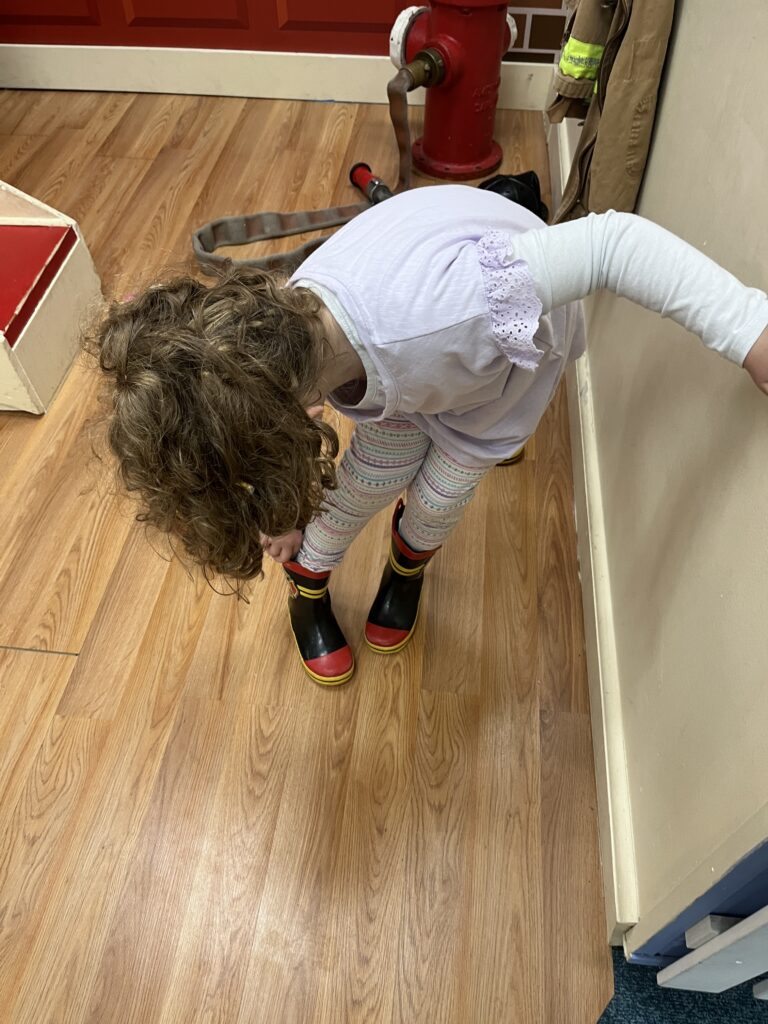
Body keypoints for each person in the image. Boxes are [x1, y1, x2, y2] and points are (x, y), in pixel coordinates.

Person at [88, 186, 768, 686]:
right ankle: (309, 582)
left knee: (439, 500)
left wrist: (748, 328)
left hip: (483, 378)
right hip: (402, 374)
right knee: (367, 481)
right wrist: (283, 513)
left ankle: (407, 568)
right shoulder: (279, 335)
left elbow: (613, 244)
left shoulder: (455, 307)